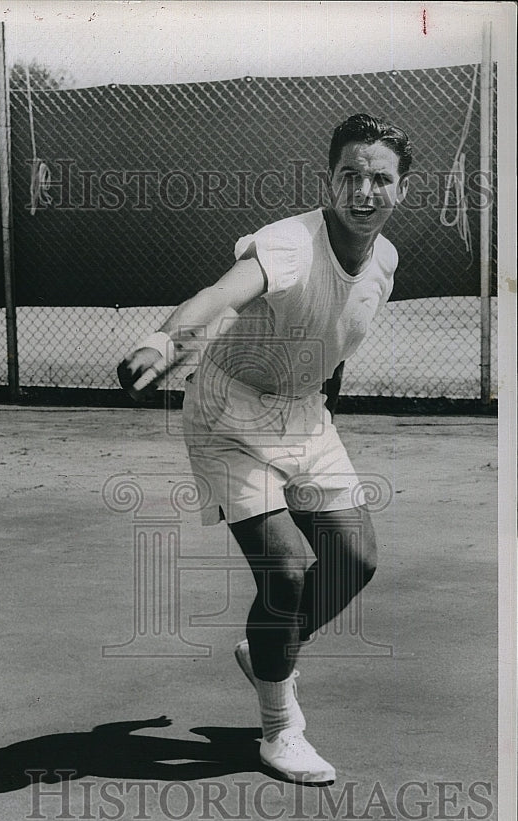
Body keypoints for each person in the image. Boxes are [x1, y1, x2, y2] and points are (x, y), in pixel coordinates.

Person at [117, 114, 411, 784]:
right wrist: (164, 341)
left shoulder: (384, 262)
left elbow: (331, 332)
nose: (362, 190)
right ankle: (280, 728)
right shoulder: (286, 246)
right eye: (348, 175)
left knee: (353, 561)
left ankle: (269, 648)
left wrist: (320, 402)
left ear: (399, 190)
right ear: (328, 179)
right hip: (227, 414)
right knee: (283, 570)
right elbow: (219, 296)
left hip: (304, 414)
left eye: (379, 178)